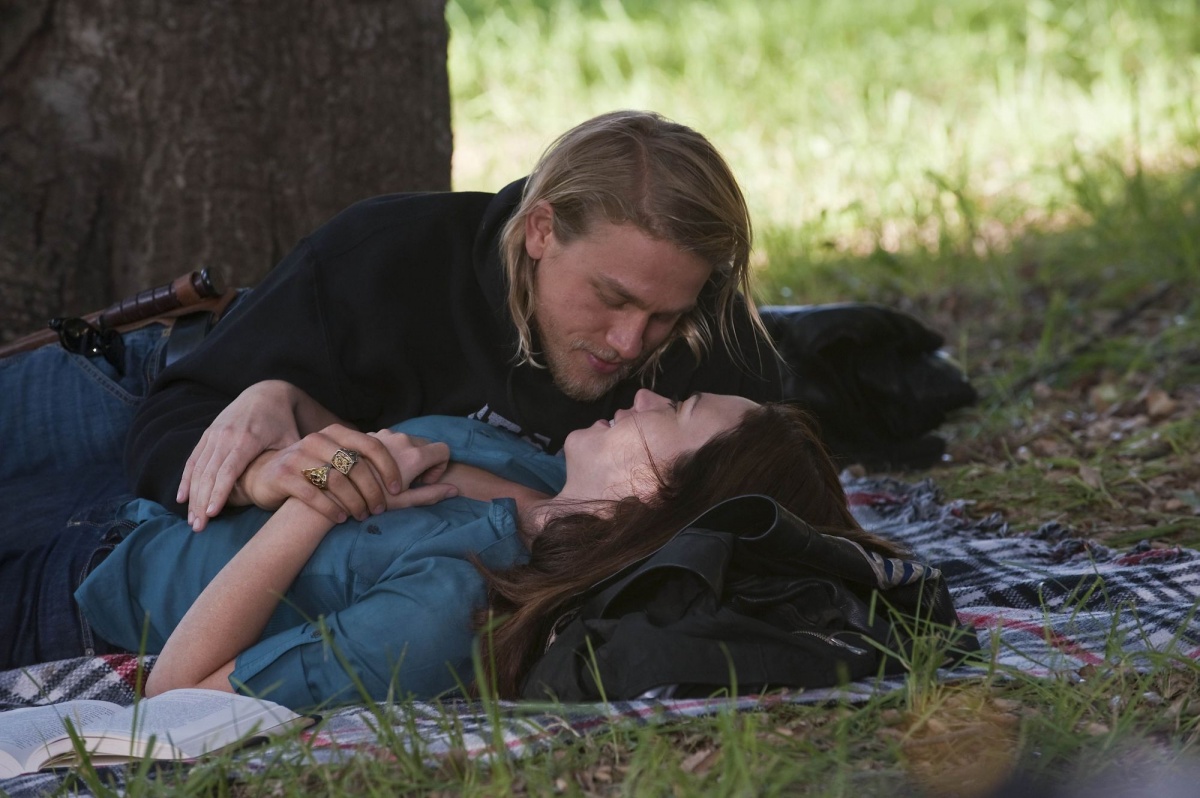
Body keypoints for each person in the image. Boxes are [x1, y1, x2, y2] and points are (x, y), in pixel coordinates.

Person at [1, 391, 901, 711]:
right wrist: (294, 410)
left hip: (72, 591)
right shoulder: (542, 478)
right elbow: (345, 445)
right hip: (120, 488)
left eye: (676, 414)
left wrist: (313, 505)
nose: (646, 394)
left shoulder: (456, 613)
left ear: (670, 498)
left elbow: (177, 691)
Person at [121, 109, 783, 534]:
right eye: (610, 297)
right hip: (125, 387)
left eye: (666, 315)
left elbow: (770, 517)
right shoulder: (382, 260)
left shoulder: (716, 344)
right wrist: (259, 471)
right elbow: (171, 422)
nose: (630, 343)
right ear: (541, 231)